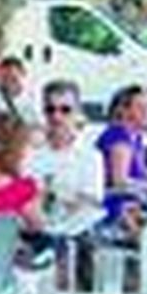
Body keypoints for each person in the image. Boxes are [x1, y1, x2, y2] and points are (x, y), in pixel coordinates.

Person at [24, 79, 102, 217]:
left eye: (65, 110)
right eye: (50, 109)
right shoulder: (28, 152)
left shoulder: (90, 157)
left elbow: (91, 203)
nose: (56, 116)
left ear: (77, 112)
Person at [97, 84, 147, 224]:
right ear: (123, 110)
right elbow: (120, 182)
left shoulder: (136, 138)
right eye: (141, 107)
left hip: (133, 203)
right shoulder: (119, 136)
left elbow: (139, 171)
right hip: (118, 207)